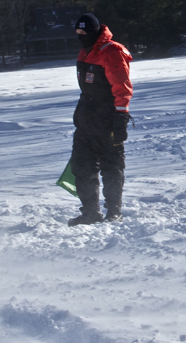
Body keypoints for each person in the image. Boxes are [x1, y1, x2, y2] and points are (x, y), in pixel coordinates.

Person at [68, 13, 133, 225]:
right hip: (86, 119)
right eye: (77, 33)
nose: (80, 37)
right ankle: (90, 212)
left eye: (84, 32)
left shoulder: (112, 52)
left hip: (108, 118)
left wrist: (121, 117)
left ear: (94, 31)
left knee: (111, 165)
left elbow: (122, 88)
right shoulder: (84, 51)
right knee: (81, 166)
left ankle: (114, 211)